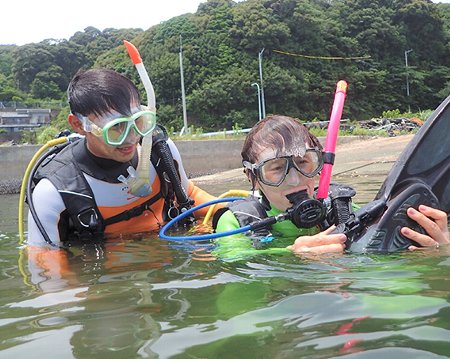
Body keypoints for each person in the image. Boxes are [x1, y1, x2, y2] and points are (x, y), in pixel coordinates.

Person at [213, 115, 449, 257]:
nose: (295, 180)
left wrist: (438, 247)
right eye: (275, 169)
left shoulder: (342, 210)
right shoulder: (237, 223)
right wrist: (289, 254)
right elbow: (235, 269)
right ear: (252, 177)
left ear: (320, 164)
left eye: (304, 163)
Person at [27, 68, 216, 246]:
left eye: (138, 122)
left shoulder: (160, 152)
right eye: (116, 127)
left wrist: (225, 212)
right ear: (78, 125)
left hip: (170, 262)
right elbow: (47, 269)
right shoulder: (53, 193)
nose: (132, 137)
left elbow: (188, 195)